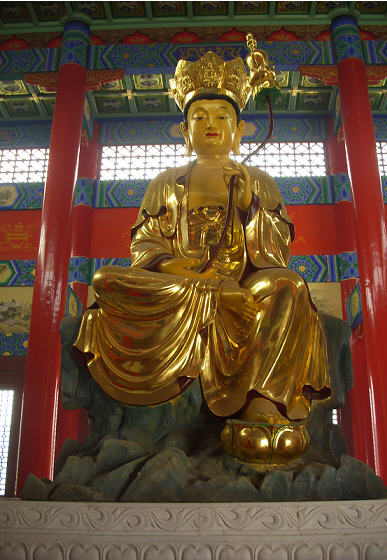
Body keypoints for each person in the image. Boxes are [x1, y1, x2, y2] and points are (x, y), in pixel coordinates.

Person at [74, 50, 331, 462]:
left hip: (245, 284)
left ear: (240, 128)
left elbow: (276, 250)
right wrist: (170, 264)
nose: (211, 123)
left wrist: (249, 207)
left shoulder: (258, 180)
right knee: (106, 279)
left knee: (289, 284)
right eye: (200, 116)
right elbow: (145, 244)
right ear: (184, 129)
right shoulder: (166, 182)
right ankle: (212, 302)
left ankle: (262, 400)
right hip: (184, 284)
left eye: (222, 115)